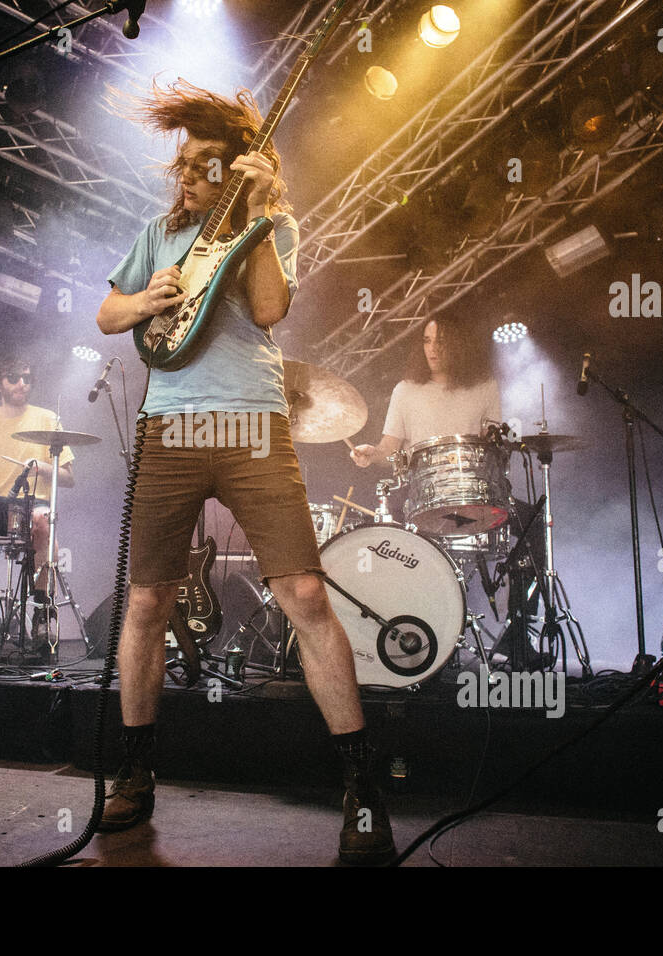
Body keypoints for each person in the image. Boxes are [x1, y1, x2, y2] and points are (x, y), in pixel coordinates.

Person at [94, 80, 394, 865]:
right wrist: (146, 299)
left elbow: (267, 311)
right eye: (182, 164)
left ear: (233, 171)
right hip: (172, 426)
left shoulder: (274, 223)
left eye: (203, 165)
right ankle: (134, 772)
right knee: (149, 598)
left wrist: (260, 217)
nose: (186, 176)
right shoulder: (160, 234)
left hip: (253, 422)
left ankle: (361, 786)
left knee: (302, 591)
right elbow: (107, 312)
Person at [0, 356, 74, 638]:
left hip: (33, 507)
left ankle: (43, 610)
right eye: (14, 377)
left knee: (44, 522)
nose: (22, 384)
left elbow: (68, 478)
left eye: (27, 378)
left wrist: (41, 466)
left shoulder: (47, 419)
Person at [349, 317, 502, 469]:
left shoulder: (485, 387)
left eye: (440, 341)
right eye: (427, 341)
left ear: (459, 345)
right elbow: (390, 447)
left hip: (473, 486)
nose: (432, 348)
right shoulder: (405, 391)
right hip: (425, 489)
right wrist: (373, 454)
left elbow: (493, 445)